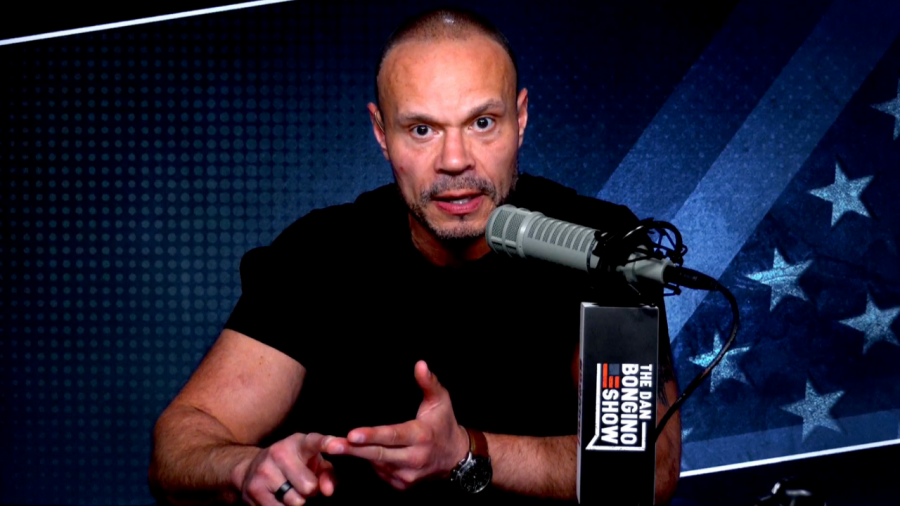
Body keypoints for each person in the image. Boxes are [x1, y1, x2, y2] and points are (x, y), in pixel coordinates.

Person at [149, 8, 681, 506]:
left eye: (482, 123)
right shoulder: (318, 254)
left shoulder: (601, 247)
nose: (455, 161)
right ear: (382, 133)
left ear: (520, 118)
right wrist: (245, 467)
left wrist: (466, 452)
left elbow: (645, 468)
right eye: (422, 130)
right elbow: (180, 443)